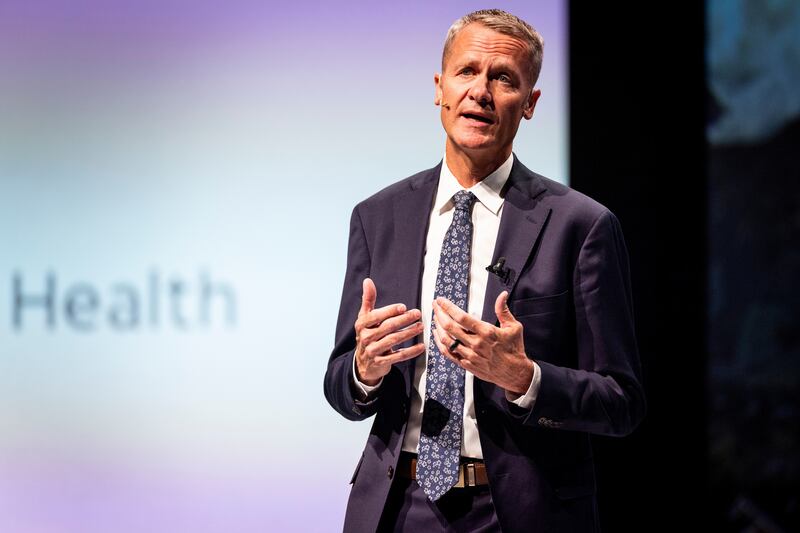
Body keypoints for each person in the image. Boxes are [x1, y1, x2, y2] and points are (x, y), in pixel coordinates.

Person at [324, 9, 645, 533]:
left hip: (520, 513)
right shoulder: (377, 217)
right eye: (467, 71)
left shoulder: (581, 226)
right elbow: (340, 385)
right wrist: (363, 370)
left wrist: (524, 378)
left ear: (530, 103)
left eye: (503, 79)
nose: (480, 91)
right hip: (397, 508)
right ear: (440, 88)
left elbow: (621, 401)